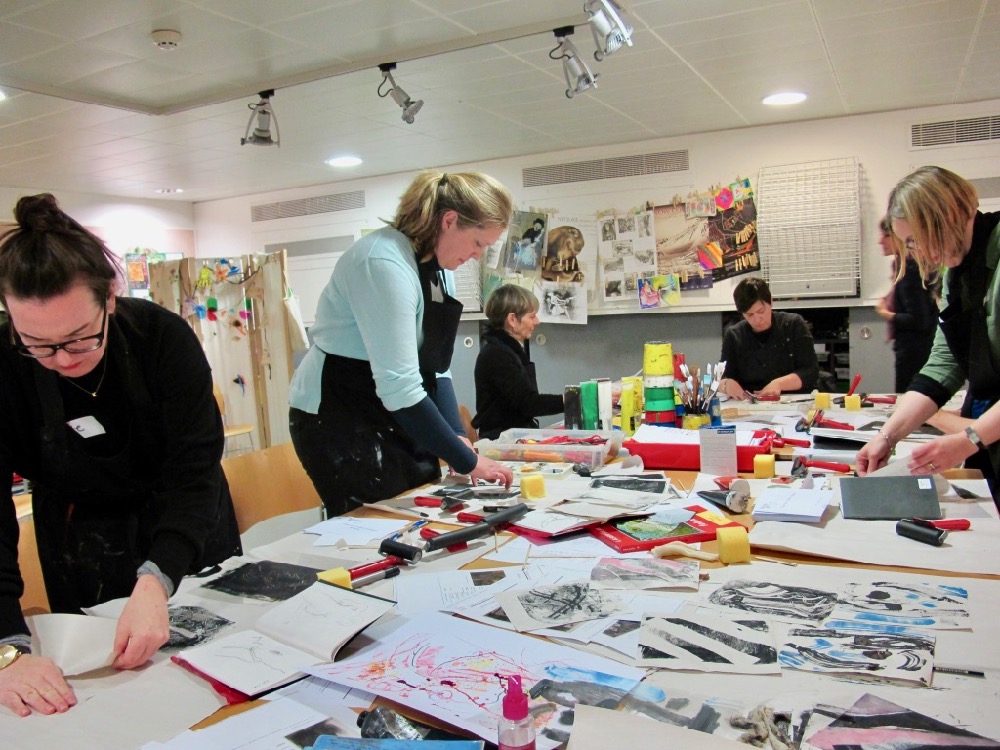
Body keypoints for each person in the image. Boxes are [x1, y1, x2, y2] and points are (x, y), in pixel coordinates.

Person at [0, 194, 242, 717]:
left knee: (219, 691)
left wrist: (158, 578)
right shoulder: (2, 368)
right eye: (37, 344)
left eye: (79, 339)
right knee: (109, 705)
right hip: (80, 537)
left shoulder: (162, 339)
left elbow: (195, 470)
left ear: (110, 297)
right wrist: (6, 647)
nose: (61, 361)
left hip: (185, 527)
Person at [288, 171, 515, 517]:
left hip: (395, 406)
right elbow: (399, 385)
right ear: (449, 221)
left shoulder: (439, 269)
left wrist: (457, 436)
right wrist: (468, 461)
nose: (477, 256)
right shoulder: (382, 262)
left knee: (424, 508)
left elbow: (437, 366)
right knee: (378, 522)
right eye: (479, 243)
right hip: (342, 412)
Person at [857, 166, 1000, 488]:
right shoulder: (956, 272)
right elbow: (943, 363)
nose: (916, 251)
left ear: (950, 215)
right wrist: (887, 435)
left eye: (916, 239)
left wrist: (968, 438)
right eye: (909, 243)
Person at [472, 285, 564, 440]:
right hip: (502, 440)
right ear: (512, 319)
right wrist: (576, 399)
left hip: (517, 435)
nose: (537, 321)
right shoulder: (497, 355)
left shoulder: (509, 349)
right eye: (532, 316)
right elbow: (529, 404)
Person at [718, 277, 819, 400]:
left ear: (771, 302)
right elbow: (722, 376)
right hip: (750, 404)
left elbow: (810, 372)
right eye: (749, 315)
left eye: (761, 311)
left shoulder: (793, 324)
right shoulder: (734, 335)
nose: (757, 319)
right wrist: (726, 384)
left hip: (792, 400)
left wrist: (779, 384)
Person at [873, 215, 940, 392]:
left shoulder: (909, 268)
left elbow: (918, 320)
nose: (880, 241)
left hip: (915, 351)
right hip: (919, 348)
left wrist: (885, 314)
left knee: (910, 397)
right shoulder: (909, 265)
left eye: (886, 235)